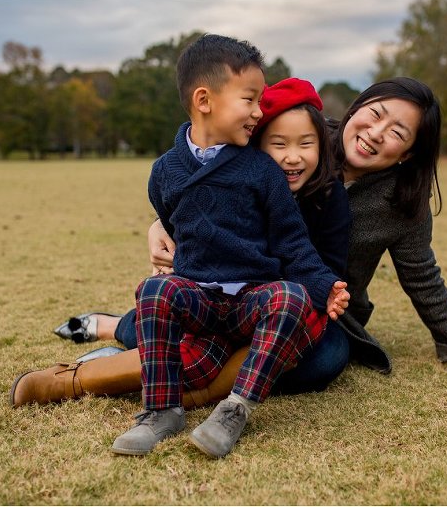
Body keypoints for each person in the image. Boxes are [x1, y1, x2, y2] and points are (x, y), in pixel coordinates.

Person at [14, 76, 447, 419]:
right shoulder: (296, 131)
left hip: (313, 308)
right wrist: (158, 224)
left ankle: (139, 363)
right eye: (375, 115)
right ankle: (112, 331)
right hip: (227, 286)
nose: (376, 133)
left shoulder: (403, 203)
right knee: (205, 325)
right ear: (359, 106)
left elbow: (421, 273)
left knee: (323, 360)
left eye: (397, 132)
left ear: (410, 151)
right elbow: (209, 168)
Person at [106, 34, 349, 458]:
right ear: (205, 100)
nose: (259, 111)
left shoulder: (261, 170)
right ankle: (161, 411)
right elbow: (172, 222)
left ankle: (235, 408)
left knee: (289, 297)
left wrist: (324, 285)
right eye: (250, 100)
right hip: (197, 297)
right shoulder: (165, 171)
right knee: (154, 290)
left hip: (249, 301)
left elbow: (293, 242)